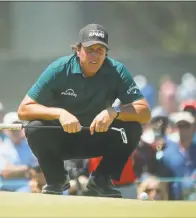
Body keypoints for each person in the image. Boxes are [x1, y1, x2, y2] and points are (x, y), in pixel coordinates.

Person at [17, 23, 151, 198]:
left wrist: (114, 111)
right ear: (78, 49)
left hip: (97, 135)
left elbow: (145, 112)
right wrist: (60, 113)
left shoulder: (117, 70)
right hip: (62, 137)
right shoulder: (59, 69)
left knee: (133, 128)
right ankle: (56, 179)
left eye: (100, 50)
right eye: (89, 50)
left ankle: (101, 180)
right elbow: (24, 109)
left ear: (106, 53)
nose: (95, 55)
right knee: (34, 127)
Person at [0, 112, 39, 192]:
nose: (16, 130)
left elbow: (37, 171)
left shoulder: (30, 147)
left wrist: (16, 170)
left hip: (27, 189)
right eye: (12, 127)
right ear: (5, 129)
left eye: (18, 126)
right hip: (4, 191)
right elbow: (6, 173)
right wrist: (28, 169)